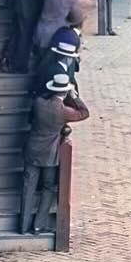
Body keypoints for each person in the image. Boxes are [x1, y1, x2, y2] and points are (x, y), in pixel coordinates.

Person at [21, 74, 89, 234]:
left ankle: (23, 226)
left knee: (28, 187)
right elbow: (84, 113)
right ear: (64, 92)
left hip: (32, 149)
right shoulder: (63, 111)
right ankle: (38, 224)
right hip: (50, 154)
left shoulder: (39, 103)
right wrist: (74, 96)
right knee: (48, 187)